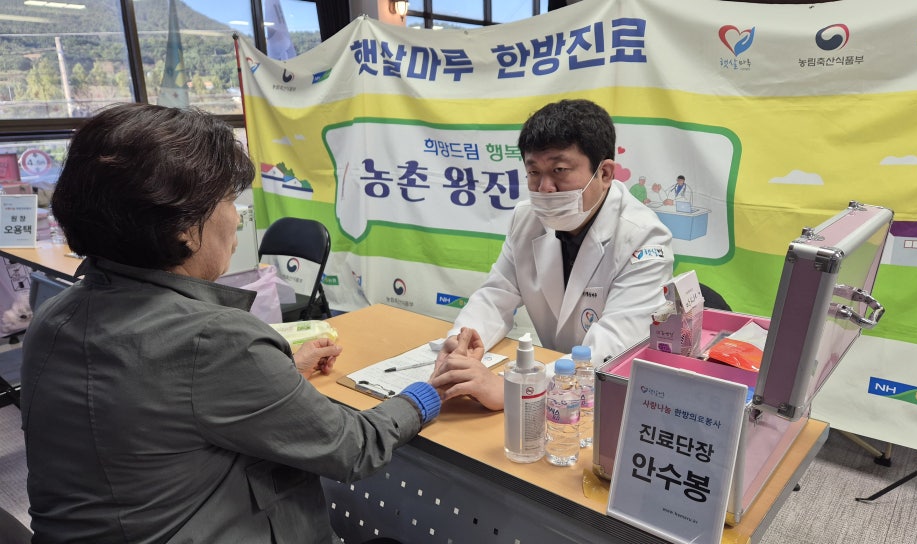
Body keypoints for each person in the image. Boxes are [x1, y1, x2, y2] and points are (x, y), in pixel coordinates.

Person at [20, 103, 440, 544]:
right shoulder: (216, 340)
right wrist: (432, 390)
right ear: (184, 227)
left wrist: (278, 374)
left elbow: (158, 408)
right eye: (226, 200)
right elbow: (353, 448)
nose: (237, 216)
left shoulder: (54, 315)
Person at [431, 99, 674, 410]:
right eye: (534, 172)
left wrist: (516, 389)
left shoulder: (644, 236)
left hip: (610, 401)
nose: (545, 188)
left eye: (559, 170)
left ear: (604, 173)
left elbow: (613, 349)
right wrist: (461, 344)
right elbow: (495, 296)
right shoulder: (526, 218)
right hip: (555, 392)